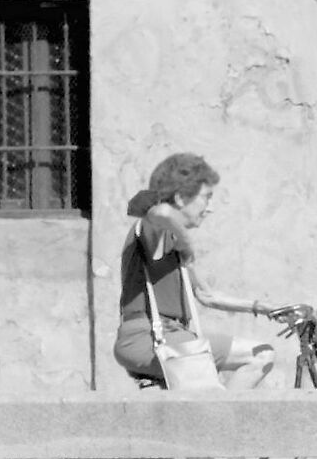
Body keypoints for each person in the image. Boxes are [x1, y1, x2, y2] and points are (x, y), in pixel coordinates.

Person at [113, 151, 278, 390]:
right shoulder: (153, 231)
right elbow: (161, 212)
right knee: (209, 406)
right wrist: (187, 244)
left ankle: (220, 417)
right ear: (180, 198)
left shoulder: (173, 242)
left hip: (176, 336)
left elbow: (207, 296)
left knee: (262, 354)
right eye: (206, 198)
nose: (209, 208)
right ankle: (219, 422)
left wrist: (262, 308)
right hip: (147, 337)